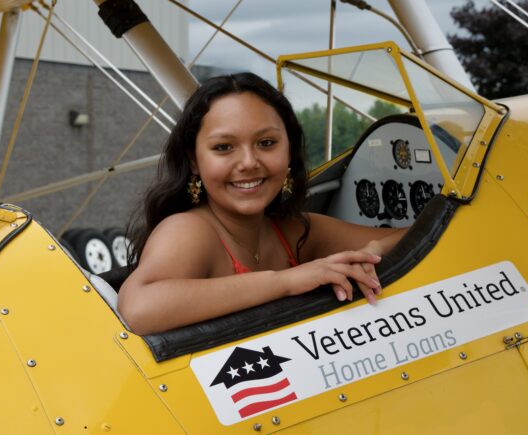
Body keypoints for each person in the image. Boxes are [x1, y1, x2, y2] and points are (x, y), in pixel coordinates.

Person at [119, 73, 406, 335]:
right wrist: (287, 281)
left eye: (266, 143)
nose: (248, 162)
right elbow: (138, 308)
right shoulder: (188, 230)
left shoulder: (293, 230)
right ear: (194, 160)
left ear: (289, 150)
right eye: (223, 147)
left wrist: (373, 251)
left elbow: (418, 235)